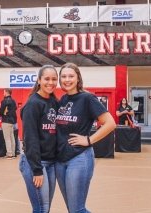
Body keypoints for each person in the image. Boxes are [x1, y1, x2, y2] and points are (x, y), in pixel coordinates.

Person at [55, 62, 116, 213]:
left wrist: (88, 140)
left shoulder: (87, 98)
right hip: (61, 160)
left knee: (77, 209)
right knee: (72, 208)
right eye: (63, 76)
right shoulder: (62, 99)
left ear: (77, 78)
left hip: (79, 158)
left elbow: (110, 123)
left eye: (71, 76)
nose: (67, 79)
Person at [20, 65, 58, 213]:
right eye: (47, 79)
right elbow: (30, 138)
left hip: (51, 162)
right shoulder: (33, 104)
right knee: (41, 208)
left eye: (54, 79)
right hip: (35, 163)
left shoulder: (54, 101)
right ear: (39, 80)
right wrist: (36, 170)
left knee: (46, 208)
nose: (51, 82)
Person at [0, 88, 17, 159]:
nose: (3, 93)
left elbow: (1, 110)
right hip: (12, 121)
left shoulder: (4, 101)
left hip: (6, 120)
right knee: (12, 137)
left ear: (6, 92)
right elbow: (15, 108)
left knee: (7, 138)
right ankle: (13, 153)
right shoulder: (13, 101)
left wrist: (0, 114)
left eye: (4, 92)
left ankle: (9, 154)